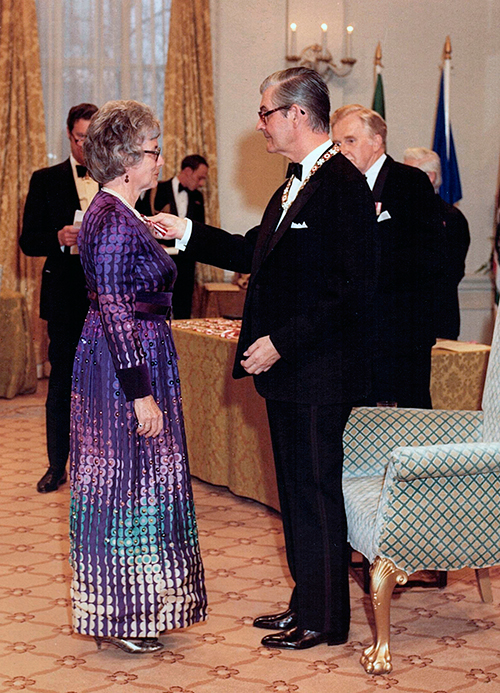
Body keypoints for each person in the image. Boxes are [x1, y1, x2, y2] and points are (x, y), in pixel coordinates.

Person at [152, 68, 378, 650]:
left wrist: (282, 341)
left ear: (298, 114)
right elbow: (257, 249)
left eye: (266, 113)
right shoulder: (295, 183)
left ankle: (327, 620)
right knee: (296, 491)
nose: (260, 124)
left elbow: (350, 290)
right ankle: (307, 603)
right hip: (290, 372)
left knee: (315, 490)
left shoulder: (343, 185)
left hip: (316, 368)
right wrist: (187, 232)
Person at [69, 100, 206, 654]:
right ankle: (123, 613)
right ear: (126, 160)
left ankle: (135, 606)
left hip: (131, 357)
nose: (160, 159)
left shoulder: (119, 214)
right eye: (153, 151)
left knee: (137, 483)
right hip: (124, 365)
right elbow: (116, 309)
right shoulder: (111, 218)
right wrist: (141, 394)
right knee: (123, 485)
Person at [331, 105, 442, 408]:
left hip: (401, 334)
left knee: (406, 424)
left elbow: (427, 257)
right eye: (337, 143)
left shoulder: (411, 182)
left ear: (377, 141)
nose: (341, 150)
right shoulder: (337, 187)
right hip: (354, 334)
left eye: (350, 141)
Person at [19, 103, 99, 493]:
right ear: (69, 136)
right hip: (65, 302)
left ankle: (103, 467)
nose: (86, 146)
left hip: (108, 302)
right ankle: (56, 465)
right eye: (80, 138)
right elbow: (27, 242)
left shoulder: (117, 176)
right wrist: (58, 238)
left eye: (92, 138)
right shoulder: (44, 179)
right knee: (62, 386)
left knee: (107, 388)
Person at [403, 147, 470, 340]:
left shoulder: (451, 218)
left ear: (430, 177)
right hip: (402, 320)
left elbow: (451, 271)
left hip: (436, 318)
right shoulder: (400, 213)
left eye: (410, 173)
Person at [136, 154, 209, 318]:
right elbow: (142, 222)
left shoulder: (198, 197)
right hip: (160, 261)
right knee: (158, 309)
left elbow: (200, 228)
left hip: (186, 263)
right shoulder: (156, 190)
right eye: (200, 178)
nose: (201, 183)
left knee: (184, 310)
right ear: (188, 171)